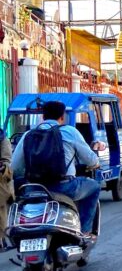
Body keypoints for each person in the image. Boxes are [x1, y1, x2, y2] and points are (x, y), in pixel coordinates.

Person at [11, 100, 104, 237]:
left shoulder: (28, 135)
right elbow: (91, 160)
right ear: (62, 117)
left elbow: (14, 167)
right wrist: (95, 162)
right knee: (94, 187)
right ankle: (84, 231)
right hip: (65, 187)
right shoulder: (70, 132)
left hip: (34, 188)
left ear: (43, 117)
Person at [0, 124, 13, 249]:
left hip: (1, 182)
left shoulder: (3, 139)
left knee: (1, 211)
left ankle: (2, 239)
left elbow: (6, 161)